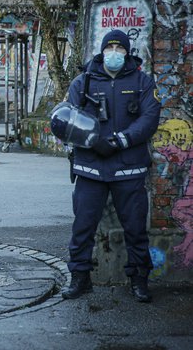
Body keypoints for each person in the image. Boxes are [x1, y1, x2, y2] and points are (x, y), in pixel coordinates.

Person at [59, 30, 161, 302]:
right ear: (102, 50)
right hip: (91, 168)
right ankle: (80, 278)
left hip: (129, 169)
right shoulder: (83, 82)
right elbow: (68, 119)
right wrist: (93, 142)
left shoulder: (142, 82)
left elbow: (150, 118)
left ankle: (139, 280)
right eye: (110, 47)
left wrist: (119, 141)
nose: (114, 52)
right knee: (82, 228)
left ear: (127, 52)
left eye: (119, 47)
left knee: (136, 229)